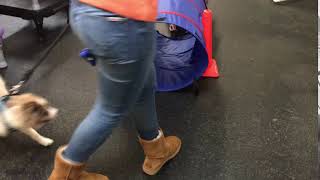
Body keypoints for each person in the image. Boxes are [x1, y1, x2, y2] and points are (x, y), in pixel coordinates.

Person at [48, 0, 181, 179]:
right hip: (122, 21)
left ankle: (156, 149)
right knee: (109, 110)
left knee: (144, 83)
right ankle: (67, 175)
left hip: (88, 11)